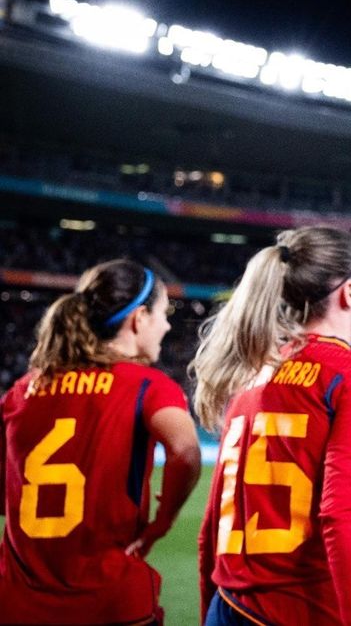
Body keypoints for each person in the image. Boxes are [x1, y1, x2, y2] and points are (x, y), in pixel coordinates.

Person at [193, 226, 351, 626]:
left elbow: (211, 524)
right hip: (299, 609)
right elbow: (343, 512)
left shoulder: (252, 375)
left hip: (228, 605)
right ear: (349, 292)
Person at [0, 260, 201, 624]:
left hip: (17, 604)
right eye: (162, 313)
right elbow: (185, 450)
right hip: (109, 603)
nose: (168, 325)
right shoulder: (147, 386)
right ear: (139, 318)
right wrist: (162, 522)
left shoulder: (21, 391)